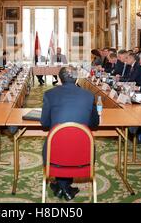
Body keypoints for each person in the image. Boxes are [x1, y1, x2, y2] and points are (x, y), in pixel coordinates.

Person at [40, 66, 99, 201]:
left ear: (60, 79)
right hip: (83, 153)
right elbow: (94, 124)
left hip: (54, 153)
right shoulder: (89, 96)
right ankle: (64, 187)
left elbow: (44, 123)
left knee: (60, 141)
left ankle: (62, 186)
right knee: (72, 141)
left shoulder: (49, 94)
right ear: (76, 78)